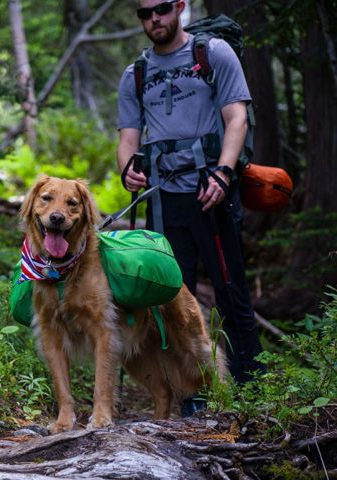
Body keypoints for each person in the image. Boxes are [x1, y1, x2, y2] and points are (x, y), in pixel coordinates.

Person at [117, 0, 264, 387]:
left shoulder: (212, 52)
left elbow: (237, 118)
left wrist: (223, 173)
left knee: (231, 292)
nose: (154, 19)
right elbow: (128, 139)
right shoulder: (136, 73)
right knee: (170, 300)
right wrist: (128, 170)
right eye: (144, 13)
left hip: (211, 191)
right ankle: (191, 392)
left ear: (179, 6)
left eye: (162, 9)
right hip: (164, 201)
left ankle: (251, 387)